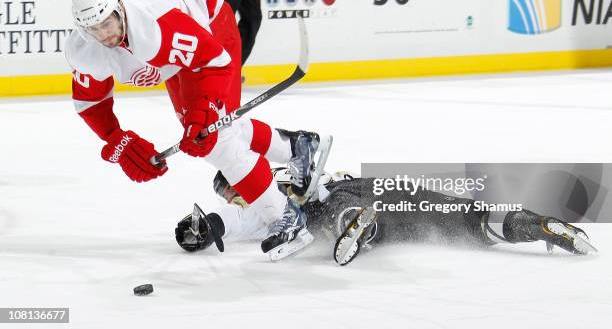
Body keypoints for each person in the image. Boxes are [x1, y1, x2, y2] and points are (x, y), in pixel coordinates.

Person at [65, 0, 331, 260]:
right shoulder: (85, 49)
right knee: (213, 128)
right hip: (178, 55)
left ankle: (286, 218)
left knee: (217, 139)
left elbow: (214, 60)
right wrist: (117, 140)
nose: (104, 34)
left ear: (118, 9)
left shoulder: (155, 25)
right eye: (94, 29)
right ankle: (296, 147)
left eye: (107, 23)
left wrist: (203, 112)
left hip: (211, 27)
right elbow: (90, 102)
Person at [175, 167, 596, 264]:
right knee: (462, 218)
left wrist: (205, 227)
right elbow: (225, 222)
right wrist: (201, 227)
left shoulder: (260, 196)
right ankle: (536, 225)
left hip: (344, 198)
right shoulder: (284, 165)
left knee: (333, 212)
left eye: (228, 191)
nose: (232, 199)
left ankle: (357, 224)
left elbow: (230, 222)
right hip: (381, 189)